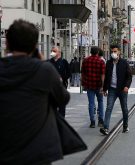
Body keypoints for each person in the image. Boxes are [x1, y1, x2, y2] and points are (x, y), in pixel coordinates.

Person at [0, 19, 84, 164]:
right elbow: (63, 98)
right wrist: (42, 62)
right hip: (37, 152)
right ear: (35, 46)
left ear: (7, 43)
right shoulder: (44, 70)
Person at [100, 45, 132, 135]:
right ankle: (105, 128)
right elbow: (107, 77)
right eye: (112, 52)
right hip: (112, 89)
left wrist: (127, 86)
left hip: (122, 89)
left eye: (115, 51)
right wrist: (104, 89)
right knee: (109, 108)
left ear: (119, 52)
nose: (113, 53)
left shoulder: (124, 63)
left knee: (124, 108)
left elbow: (129, 76)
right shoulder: (109, 63)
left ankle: (125, 126)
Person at [81, 46, 105, 128]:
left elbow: (83, 74)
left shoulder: (85, 61)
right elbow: (102, 75)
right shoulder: (101, 61)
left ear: (90, 52)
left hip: (89, 85)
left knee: (91, 103)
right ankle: (101, 120)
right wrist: (103, 86)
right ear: (98, 52)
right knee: (100, 102)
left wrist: (83, 84)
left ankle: (92, 122)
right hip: (98, 85)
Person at [49, 46, 71, 117]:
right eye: (52, 51)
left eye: (54, 51)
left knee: (62, 106)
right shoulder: (49, 62)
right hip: (51, 87)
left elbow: (69, 73)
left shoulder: (64, 62)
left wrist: (63, 78)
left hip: (61, 86)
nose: (52, 52)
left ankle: (61, 121)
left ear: (59, 53)